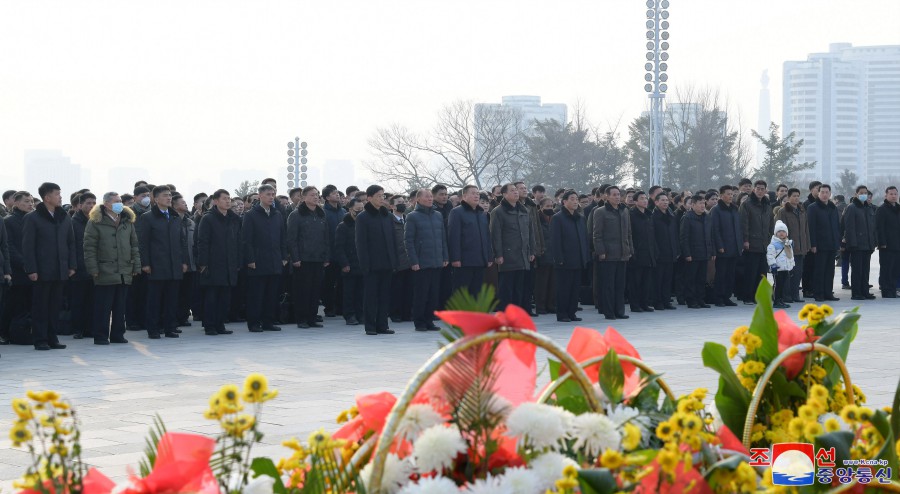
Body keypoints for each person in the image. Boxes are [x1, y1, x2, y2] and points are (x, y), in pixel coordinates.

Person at [23, 182, 75, 351]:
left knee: (55, 306)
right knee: (40, 306)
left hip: (60, 269)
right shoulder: (32, 218)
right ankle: (40, 339)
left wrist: (71, 265)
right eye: (57, 194)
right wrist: (31, 269)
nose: (60, 197)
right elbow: (28, 247)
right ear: (47, 197)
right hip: (42, 270)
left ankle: (53, 338)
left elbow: (71, 243)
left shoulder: (64, 216)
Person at [83, 192, 140, 345]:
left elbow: (134, 245)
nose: (120, 204)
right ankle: (101, 335)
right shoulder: (96, 221)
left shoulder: (127, 220)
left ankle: (118, 335)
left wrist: (136, 265)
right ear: (107, 204)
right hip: (104, 269)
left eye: (121, 201)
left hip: (124, 269)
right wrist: (93, 268)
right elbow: (89, 247)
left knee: (120, 306)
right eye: (116, 201)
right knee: (103, 306)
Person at [138, 186, 187, 339]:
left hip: (174, 265)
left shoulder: (174, 217)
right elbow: (143, 243)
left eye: (170, 196)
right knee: (155, 299)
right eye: (165, 195)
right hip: (156, 265)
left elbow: (182, 241)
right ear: (156, 198)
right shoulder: (147, 217)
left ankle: (170, 327)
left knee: (172, 299)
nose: (168, 198)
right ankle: (153, 328)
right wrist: (145, 263)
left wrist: (184, 261)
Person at [241, 184, 288, 333]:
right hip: (258, 261)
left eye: (273, 194)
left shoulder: (277, 214)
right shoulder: (251, 215)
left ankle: (268, 321)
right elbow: (246, 240)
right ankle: (254, 322)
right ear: (260, 196)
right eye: (268, 194)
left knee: (272, 294)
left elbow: (282, 237)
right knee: (256, 294)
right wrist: (250, 259)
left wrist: (284, 256)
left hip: (275, 260)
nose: (271, 197)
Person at [197, 189, 241, 336]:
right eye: (224, 199)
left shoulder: (233, 218)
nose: (228, 201)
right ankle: (210, 325)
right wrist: (202, 263)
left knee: (225, 297)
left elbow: (238, 241)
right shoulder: (208, 218)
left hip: (229, 263)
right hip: (212, 263)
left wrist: (238, 261)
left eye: (229, 199)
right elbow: (202, 242)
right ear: (215, 201)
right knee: (211, 297)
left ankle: (220, 324)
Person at [404, 188, 448, 332]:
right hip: (421, 262)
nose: (430, 199)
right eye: (427, 197)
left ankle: (430, 320)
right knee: (421, 294)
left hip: (436, 261)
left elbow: (443, 238)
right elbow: (408, 241)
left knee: (433, 294)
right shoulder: (412, 216)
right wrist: (414, 261)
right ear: (418, 199)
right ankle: (420, 321)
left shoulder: (437, 215)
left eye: (430, 197)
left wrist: (445, 257)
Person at [356, 185, 397, 335]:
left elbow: (393, 240)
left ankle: (382, 325)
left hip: (387, 262)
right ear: (369, 198)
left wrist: (394, 261)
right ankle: (370, 326)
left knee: (385, 296)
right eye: (379, 196)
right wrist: (365, 264)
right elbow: (360, 243)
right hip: (372, 264)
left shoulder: (387, 215)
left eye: (383, 196)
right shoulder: (363, 217)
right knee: (371, 296)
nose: (382, 198)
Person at [287, 186, 330, 328]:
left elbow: (326, 238)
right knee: (303, 291)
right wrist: (295, 258)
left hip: (318, 258)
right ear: (303, 198)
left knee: (315, 290)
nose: (316, 197)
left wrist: (326, 257)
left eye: (317, 195)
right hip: (303, 259)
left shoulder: (321, 214)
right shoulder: (296, 215)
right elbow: (292, 239)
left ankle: (312, 318)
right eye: (312, 195)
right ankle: (302, 319)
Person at [490, 184, 535, 310]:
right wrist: (498, 254)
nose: (516, 192)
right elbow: (495, 235)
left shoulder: (524, 210)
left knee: (519, 288)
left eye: (516, 190)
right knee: (506, 289)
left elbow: (530, 232)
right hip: (507, 256)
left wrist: (531, 250)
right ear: (504, 194)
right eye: (512, 191)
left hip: (522, 255)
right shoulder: (498, 211)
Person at [592, 185, 632, 320]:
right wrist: (601, 251)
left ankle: (619, 310)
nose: (617, 197)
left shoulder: (624, 210)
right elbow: (597, 234)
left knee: (620, 285)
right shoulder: (600, 212)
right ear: (606, 197)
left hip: (622, 253)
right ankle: (609, 312)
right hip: (608, 254)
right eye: (613, 195)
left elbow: (629, 232)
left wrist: (629, 249)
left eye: (618, 194)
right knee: (608, 285)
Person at [550, 190, 589, 322]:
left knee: (575, 288)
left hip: (578, 259)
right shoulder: (557, 218)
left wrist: (585, 256)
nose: (575, 201)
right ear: (564, 201)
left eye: (576, 199)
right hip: (564, 260)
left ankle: (572, 312)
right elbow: (555, 241)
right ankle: (562, 313)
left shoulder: (580, 218)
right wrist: (559, 258)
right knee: (563, 288)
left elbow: (584, 239)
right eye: (572, 199)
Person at [0, 192, 33, 345]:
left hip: (33, 270)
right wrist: (24, 262)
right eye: (26, 201)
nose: (30, 204)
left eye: (32, 201)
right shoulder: (9, 221)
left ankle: (22, 333)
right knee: (13, 304)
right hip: (17, 271)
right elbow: (8, 246)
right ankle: (5, 333)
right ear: (16, 203)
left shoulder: (33, 220)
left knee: (27, 304)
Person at [447, 185, 492, 297]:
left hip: (480, 260)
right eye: (473, 193)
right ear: (464, 196)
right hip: (464, 261)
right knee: (461, 294)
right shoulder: (456, 212)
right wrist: (455, 258)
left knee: (476, 292)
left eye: (477, 193)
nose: (476, 195)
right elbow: (453, 237)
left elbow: (487, 237)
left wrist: (489, 256)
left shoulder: (481, 213)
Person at [739, 180, 773, 304]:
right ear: (754, 190)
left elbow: (770, 224)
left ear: (765, 190)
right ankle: (747, 296)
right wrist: (746, 240)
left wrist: (770, 239)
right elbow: (744, 223)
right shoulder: (747, 204)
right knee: (750, 272)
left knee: (762, 272)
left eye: (762, 189)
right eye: (757, 188)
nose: (760, 191)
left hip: (764, 244)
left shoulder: (767, 205)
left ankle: (758, 296)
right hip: (752, 243)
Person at [774, 188, 810, 303]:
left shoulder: (802, 210)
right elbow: (780, 230)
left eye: (798, 196)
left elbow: (806, 230)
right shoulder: (783, 211)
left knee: (798, 272)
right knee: (788, 273)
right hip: (788, 247)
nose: (796, 198)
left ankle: (795, 295)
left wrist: (807, 244)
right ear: (789, 197)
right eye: (794, 196)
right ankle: (786, 296)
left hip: (800, 247)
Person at [708, 185, 741, 306]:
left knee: (730, 274)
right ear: (721, 196)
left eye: (732, 194)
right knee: (721, 274)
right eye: (728, 194)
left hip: (734, 247)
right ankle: (718, 297)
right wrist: (719, 245)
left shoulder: (734, 209)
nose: (731, 196)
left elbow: (738, 228)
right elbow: (715, 229)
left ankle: (727, 296)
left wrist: (739, 244)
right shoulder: (716, 210)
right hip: (723, 247)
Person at [807, 184, 841, 302]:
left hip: (832, 244)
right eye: (822, 192)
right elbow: (811, 227)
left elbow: (837, 226)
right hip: (820, 245)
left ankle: (828, 293)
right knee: (819, 271)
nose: (825, 194)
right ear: (818, 193)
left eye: (827, 192)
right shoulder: (813, 207)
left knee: (830, 271)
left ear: (830, 193)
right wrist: (813, 244)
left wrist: (837, 242)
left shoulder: (833, 207)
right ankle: (819, 293)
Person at [842, 185, 877, 300]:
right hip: (856, 245)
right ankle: (856, 293)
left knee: (865, 270)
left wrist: (873, 242)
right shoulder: (852, 207)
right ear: (856, 194)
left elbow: (872, 227)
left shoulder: (869, 208)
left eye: (865, 193)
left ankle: (865, 291)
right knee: (857, 270)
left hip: (868, 244)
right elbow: (849, 227)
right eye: (861, 193)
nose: (863, 195)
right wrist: (852, 243)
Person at [69, 192, 96, 339]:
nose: (91, 206)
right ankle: (78, 329)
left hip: (94, 268)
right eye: (88, 203)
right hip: (78, 268)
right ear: (80, 205)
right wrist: (72, 266)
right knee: (78, 300)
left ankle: (90, 328)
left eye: (93, 203)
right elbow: (71, 246)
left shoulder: (96, 220)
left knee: (92, 301)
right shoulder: (73, 222)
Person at [680, 194, 713, 309]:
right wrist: (687, 253)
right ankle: (691, 300)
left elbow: (710, 236)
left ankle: (700, 299)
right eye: (700, 203)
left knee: (701, 278)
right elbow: (684, 237)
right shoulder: (687, 217)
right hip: (693, 253)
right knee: (691, 278)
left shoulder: (707, 217)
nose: (702, 206)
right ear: (693, 205)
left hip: (704, 253)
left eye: (703, 203)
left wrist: (711, 251)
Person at [335, 198, 365, 326]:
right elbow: (339, 247)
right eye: (357, 209)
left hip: (362, 263)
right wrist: (344, 263)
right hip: (349, 264)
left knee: (361, 292)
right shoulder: (343, 226)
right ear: (350, 209)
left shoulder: (364, 224)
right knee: (349, 292)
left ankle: (361, 314)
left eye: (361, 209)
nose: (359, 211)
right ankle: (349, 315)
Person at [628, 191, 657, 312]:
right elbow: (629, 235)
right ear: (635, 202)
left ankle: (644, 303)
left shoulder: (649, 215)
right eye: (641, 198)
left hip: (649, 252)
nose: (645, 200)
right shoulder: (631, 215)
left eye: (646, 198)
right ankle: (635, 305)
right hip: (637, 253)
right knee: (635, 281)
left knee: (646, 281)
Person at [172, 194, 198, 326]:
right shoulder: (172, 222)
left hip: (191, 263)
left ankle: (183, 317)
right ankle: (174, 318)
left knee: (187, 293)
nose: (186, 204)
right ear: (174, 205)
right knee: (176, 293)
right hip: (177, 264)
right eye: (182, 202)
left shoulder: (190, 222)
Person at [321, 184, 346, 318]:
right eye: (334, 193)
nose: (337, 195)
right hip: (329, 253)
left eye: (338, 193)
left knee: (342, 282)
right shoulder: (323, 212)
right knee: (329, 283)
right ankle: (329, 307)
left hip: (342, 253)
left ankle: (340, 306)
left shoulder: (343, 212)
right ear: (326, 197)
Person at [651, 193, 678, 310]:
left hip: (670, 252)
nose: (665, 202)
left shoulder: (671, 215)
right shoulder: (653, 216)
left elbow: (675, 234)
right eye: (662, 200)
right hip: (659, 253)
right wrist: (655, 251)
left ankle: (666, 301)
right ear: (656, 202)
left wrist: (676, 250)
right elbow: (652, 237)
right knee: (658, 279)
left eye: (667, 200)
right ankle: (657, 301)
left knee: (667, 279)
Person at [389, 194, 412, 323]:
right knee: (396, 289)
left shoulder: (408, 219)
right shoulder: (389, 220)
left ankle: (407, 313)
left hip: (410, 260)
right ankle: (395, 313)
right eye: (399, 202)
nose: (402, 204)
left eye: (404, 201)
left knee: (409, 289)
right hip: (396, 261)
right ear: (392, 206)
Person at [876, 186, 900, 298]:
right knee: (887, 268)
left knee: (896, 268)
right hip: (887, 245)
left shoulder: (898, 208)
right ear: (886, 195)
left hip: (897, 245)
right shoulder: (882, 209)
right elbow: (879, 228)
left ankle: (893, 289)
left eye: (895, 194)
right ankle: (886, 290)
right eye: (891, 194)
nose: (894, 196)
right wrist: (882, 243)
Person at [533, 197, 556, 314]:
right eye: (547, 207)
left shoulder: (554, 218)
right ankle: (540, 306)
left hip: (553, 254)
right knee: (541, 283)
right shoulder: (537, 219)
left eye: (551, 206)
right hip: (542, 254)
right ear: (541, 207)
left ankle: (550, 304)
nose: (550, 209)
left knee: (552, 282)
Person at [767, 220, 795, 309]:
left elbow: (790, 256)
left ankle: (781, 299)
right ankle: (776, 300)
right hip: (778, 268)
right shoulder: (773, 245)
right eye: (779, 231)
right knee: (777, 285)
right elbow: (770, 256)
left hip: (785, 268)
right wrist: (773, 265)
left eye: (783, 231)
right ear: (775, 233)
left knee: (783, 285)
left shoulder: (788, 243)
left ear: (786, 233)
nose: (781, 233)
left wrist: (791, 266)